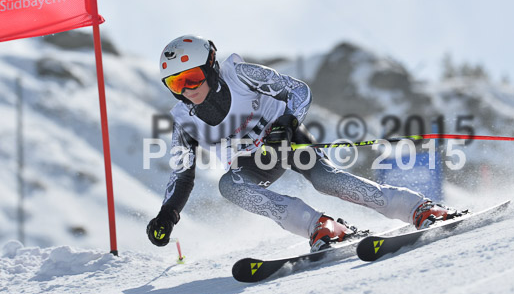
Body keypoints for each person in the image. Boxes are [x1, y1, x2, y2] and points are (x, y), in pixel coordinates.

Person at [146, 35, 460, 252]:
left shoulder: (239, 74)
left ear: (211, 66)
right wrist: (167, 214)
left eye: (192, 77)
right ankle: (322, 227)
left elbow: (298, 91)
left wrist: (285, 124)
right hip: (252, 164)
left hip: (287, 139)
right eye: (176, 83)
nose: (187, 89)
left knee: (326, 180)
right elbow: (181, 174)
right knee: (229, 185)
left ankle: (420, 208)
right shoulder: (184, 122)